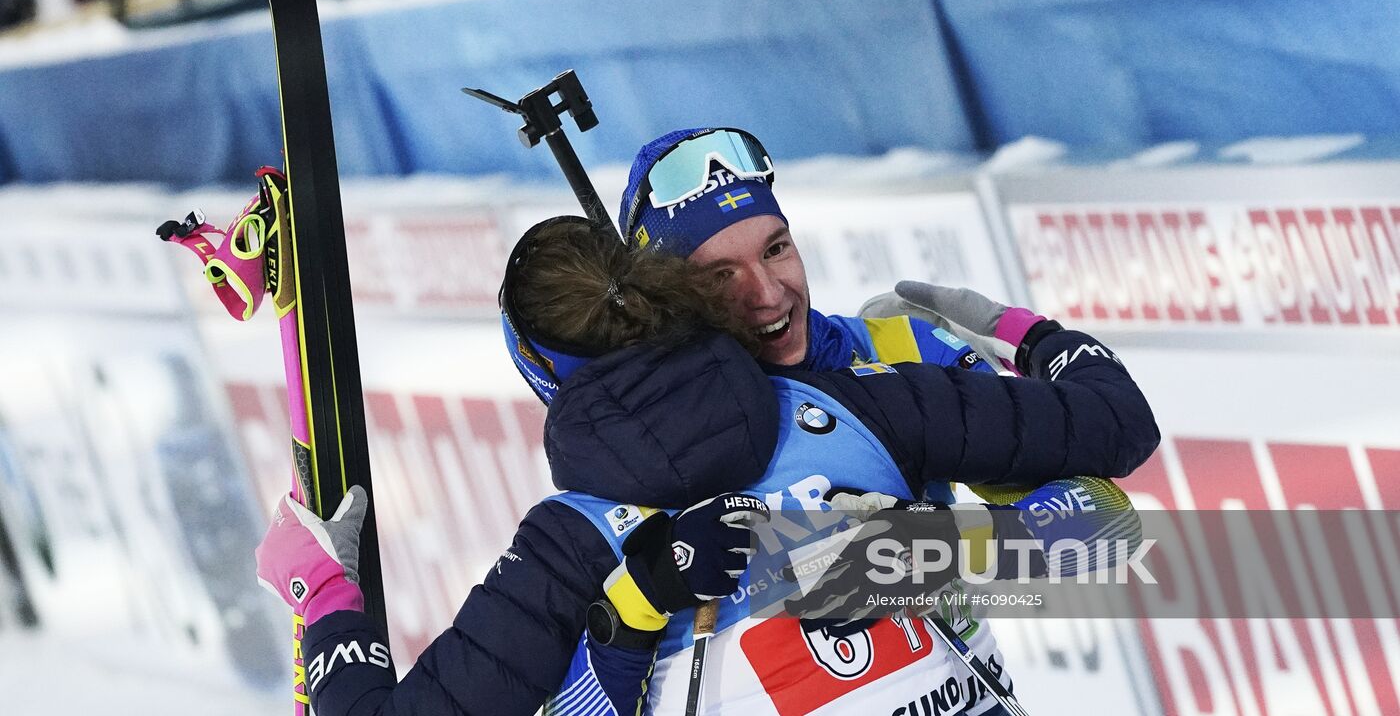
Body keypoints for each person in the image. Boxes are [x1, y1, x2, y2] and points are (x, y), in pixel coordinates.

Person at [256, 214, 1156, 714]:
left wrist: (324, 601)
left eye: (776, 246)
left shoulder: (574, 540)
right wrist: (1012, 333)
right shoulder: (864, 396)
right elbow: (1114, 457)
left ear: (544, 377)